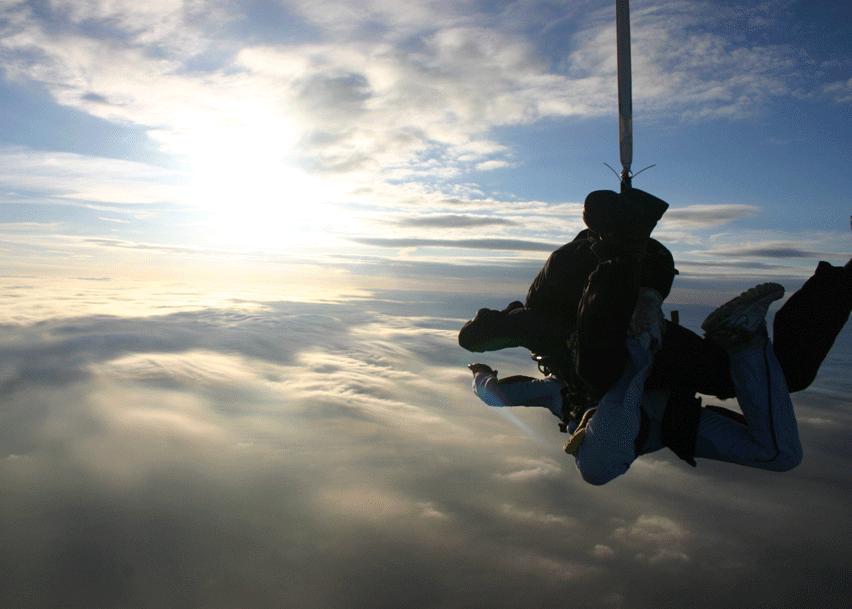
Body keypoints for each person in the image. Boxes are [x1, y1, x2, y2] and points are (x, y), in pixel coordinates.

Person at [469, 282, 805, 484]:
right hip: (668, 414)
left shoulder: (558, 394)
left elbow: (493, 394)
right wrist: (480, 375)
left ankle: (641, 344)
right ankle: (742, 338)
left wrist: (479, 373)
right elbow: (494, 394)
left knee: (595, 471)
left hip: (653, 403)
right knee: (780, 455)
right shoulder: (556, 395)